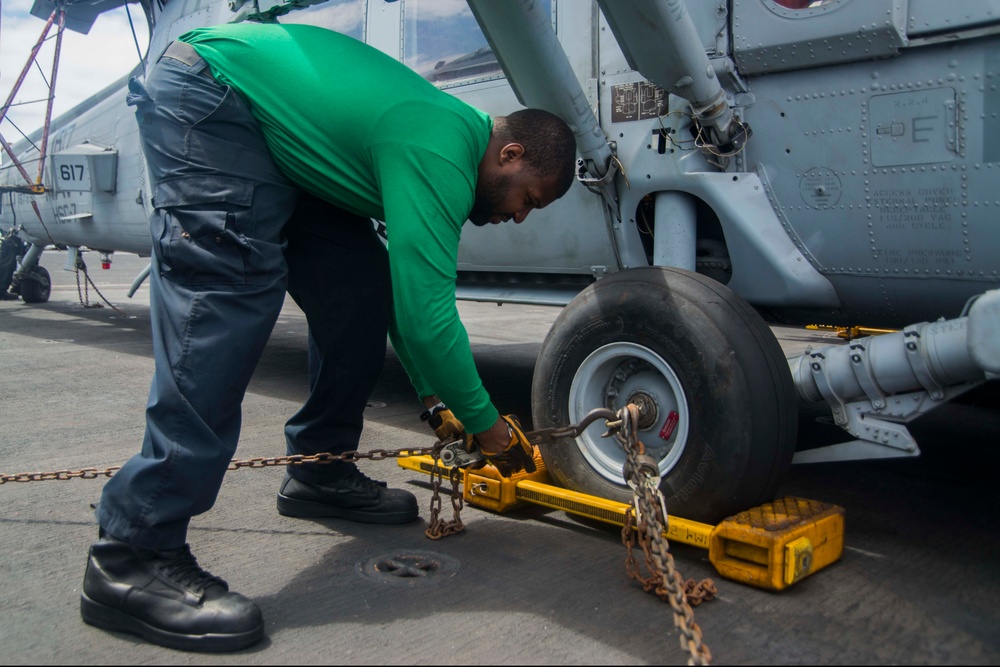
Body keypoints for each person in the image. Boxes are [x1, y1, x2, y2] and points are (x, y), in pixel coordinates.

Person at [79, 22, 577, 653]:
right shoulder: (441, 150)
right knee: (228, 295)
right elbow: (428, 318)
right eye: (528, 198)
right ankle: (132, 553)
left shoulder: (446, 135)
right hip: (214, 98)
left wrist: (433, 400)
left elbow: (404, 297)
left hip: (274, 132)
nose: (518, 217)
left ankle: (319, 470)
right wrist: (493, 433)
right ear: (509, 156)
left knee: (359, 292)